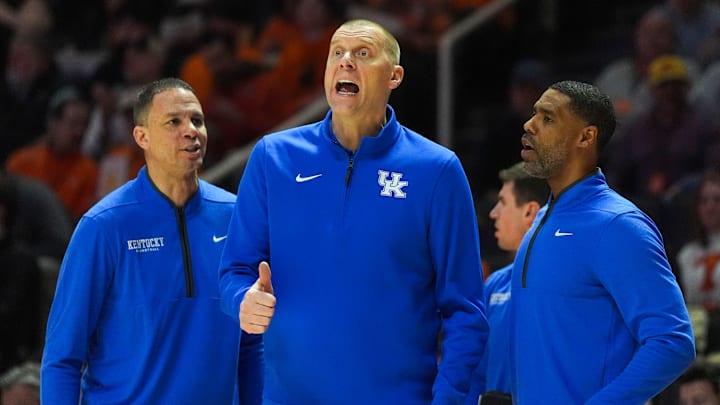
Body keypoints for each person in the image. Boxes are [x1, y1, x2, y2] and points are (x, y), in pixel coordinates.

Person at [218, 19, 487, 404]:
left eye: (362, 54)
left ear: (394, 76)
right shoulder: (272, 157)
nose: (346, 62)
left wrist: (447, 399)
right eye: (336, 53)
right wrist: (243, 300)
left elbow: (465, 311)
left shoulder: (436, 170)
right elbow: (234, 270)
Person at [41, 78, 263, 404]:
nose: (191, 130)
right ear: (141, 136)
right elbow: (62, 359)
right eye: (174, 121)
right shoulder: (103, 227)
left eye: (197, 120)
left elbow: (250, 345)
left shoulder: (237, 216)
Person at [510, 80, 696, 403]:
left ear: (586, 136)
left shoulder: (617, 225)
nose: (530, 125)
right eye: (534, 114)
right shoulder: (543, 217)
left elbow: (673, 340)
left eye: (548, 118)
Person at [466, 162, 549, 405]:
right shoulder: (495, 284)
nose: (493, 213)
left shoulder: (569, 283)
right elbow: (475, 372)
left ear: (529, 212)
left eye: (502, 202)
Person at [677, 169, 720, 356]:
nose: (710, 207)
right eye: (704, 201)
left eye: (717, 200)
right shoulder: (686, 254)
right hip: (695, 328)